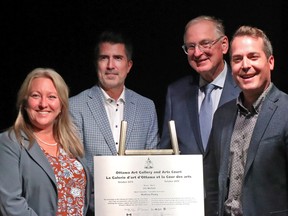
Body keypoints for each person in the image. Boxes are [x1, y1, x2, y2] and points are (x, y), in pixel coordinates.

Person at [159, 15, 240, 215]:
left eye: (205, 44)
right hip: (186, 206)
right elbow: (165, 152)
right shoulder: (175, 93)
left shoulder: (243, 88)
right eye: (190, 46)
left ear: (224, 45)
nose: (197, 53)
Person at [209, 25, 288, 215]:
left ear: (270, 62)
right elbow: (213, 181)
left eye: (253, 57)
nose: (245, 65)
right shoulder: (222, 115)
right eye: (237, 59)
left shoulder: (286, 110)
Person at [0, 68, 92, 215]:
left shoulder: (71, 142)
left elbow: (88, 196)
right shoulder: (9, 142)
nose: (43, 104)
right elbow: (10, 204)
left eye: (52, 97)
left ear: (61, 105)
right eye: (36, 96)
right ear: (24, 102)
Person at [69, 30, 159, 175]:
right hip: (94, 196)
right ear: (96, 64)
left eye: (117, 58)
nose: (110, 65)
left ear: (129, 66)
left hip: (136, 195)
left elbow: (153, 160)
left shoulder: (146, 107)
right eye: (104, 58)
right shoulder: (75, 106)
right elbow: (73, 165)